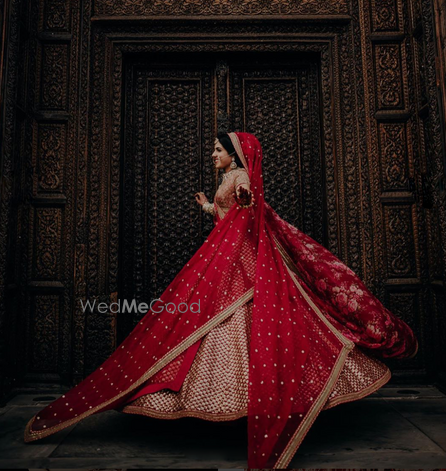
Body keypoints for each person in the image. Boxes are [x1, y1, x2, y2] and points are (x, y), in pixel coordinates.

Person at [24, 131, 418, 469]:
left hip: (243, 261)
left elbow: (247, 202)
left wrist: (244, 197)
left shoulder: (242, 175)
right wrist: (210, 207)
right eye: (213, 150)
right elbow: (230, 212)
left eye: (217, 149)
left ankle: (248, 402)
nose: (212, 155)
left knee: (247, 318)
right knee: (222, 320)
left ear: (236, 154)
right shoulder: (230, 175)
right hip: (229, 256)